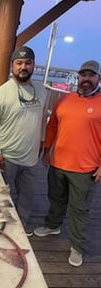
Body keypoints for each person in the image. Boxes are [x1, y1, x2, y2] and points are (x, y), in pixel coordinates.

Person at [34, 60, 101, 267]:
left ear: (98, 78)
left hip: (85, 169)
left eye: (91, 75)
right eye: (83, 75)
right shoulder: (64, 100)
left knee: (79, 209)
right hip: (57, 163)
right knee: (55, 199)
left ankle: (77, 246)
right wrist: (47, 151)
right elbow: (52, 126)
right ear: (78, 77)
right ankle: (53, 225)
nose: (86, 79)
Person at [0, 46, 47, 237]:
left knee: (27, 197)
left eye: (28, 63)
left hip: (32, 158)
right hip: (8, 157)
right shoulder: (1, 93)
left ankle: (21, 225)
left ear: (34, 65)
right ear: (12, 66)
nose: (23, 67)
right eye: (19, 63)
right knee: (3, 195)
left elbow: (42, 120)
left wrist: (42, 141)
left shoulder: (42, 90)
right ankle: (5, 228)